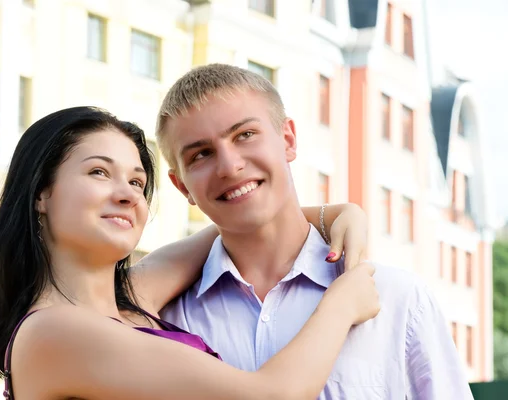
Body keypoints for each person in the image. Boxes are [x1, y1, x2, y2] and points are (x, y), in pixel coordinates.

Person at [0, 106, 379, 399]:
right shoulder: (53, 333)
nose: (127, 195)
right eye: (100, 172)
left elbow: (234, 226)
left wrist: (337, 214)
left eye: (137, 182)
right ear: (42, 193)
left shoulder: (130, 302)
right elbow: (270, 396)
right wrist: (342, 303)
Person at [156, 64, 474, 399]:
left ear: (288, 140)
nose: (229, 166)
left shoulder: (401, 299)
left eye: (245, 135)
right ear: (182, 187)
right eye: (201, 154)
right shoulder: (168, 324)